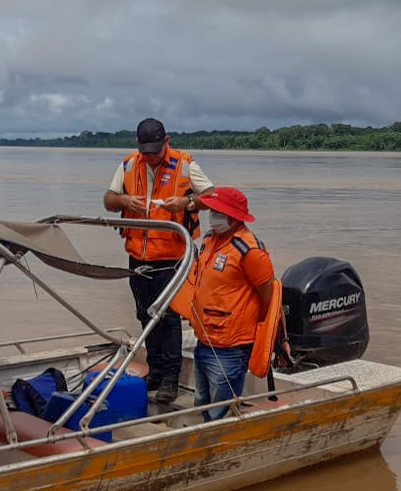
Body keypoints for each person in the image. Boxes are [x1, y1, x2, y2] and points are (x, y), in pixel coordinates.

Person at [103, 117, 214, 403]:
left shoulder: (185, 164)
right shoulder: (129, 164)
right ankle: (154, 371)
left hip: (172, 258)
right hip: (137, 256)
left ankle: (170, 380)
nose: (151, 158)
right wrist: (125, 201)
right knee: (144, 315)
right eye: (146, 152)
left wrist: (187, 202)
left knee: (168, 319)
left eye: (156, 151)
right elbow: (108, 200)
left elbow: (213, 196)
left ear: (166, 142)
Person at [188, 187, 275, 421]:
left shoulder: (250, 250)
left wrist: (251, 327)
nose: (212, 216)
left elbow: (268, 295)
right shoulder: (209, 240)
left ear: (234, 217)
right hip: (204, 338)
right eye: (212, 211)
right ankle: (206, 433)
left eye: (218, 212)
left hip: (231, 346)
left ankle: (216, 439)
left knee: (221, 408)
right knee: (201, 401)